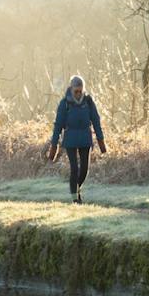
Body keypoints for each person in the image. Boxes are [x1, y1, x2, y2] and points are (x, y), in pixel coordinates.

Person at [48, 75, 106, 203]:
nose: (79, 94)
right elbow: (58, 125)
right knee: (74, 168)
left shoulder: (88, 102)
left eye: (80, 91)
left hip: (85, 139)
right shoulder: (64, 103)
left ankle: (76, 188)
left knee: (85, 169)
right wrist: (54, 145)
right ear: (71, 89)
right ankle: (75, 199)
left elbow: (96, 120)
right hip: (70, 140)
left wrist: (101, 140)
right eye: (76, 91)